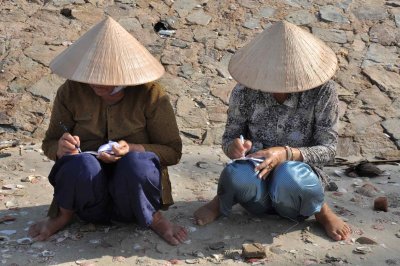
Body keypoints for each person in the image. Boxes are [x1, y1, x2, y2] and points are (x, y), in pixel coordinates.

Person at [28, 17, 187, 245]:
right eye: (92, 76)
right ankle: (63, 216)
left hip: (132, 200)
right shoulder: (71, 91)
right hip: (87, 200)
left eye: (106, 79)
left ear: (124, 77)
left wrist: (131, 148)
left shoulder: (151, 95)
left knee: (137, 164)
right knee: (80, 164)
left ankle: (155, 218)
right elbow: (49, 143)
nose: (96, 84)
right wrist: (60, 148)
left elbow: (173, 152)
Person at [194, 21, 351, 241]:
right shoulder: (244, 91)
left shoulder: (323, 92)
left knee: (288, 173)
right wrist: (236, 148)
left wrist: (284, 154)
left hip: (297, 183)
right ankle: (221, 202)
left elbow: (328, 149)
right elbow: (229, 138)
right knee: (234, 174)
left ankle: (321, 211)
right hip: (255, 177)